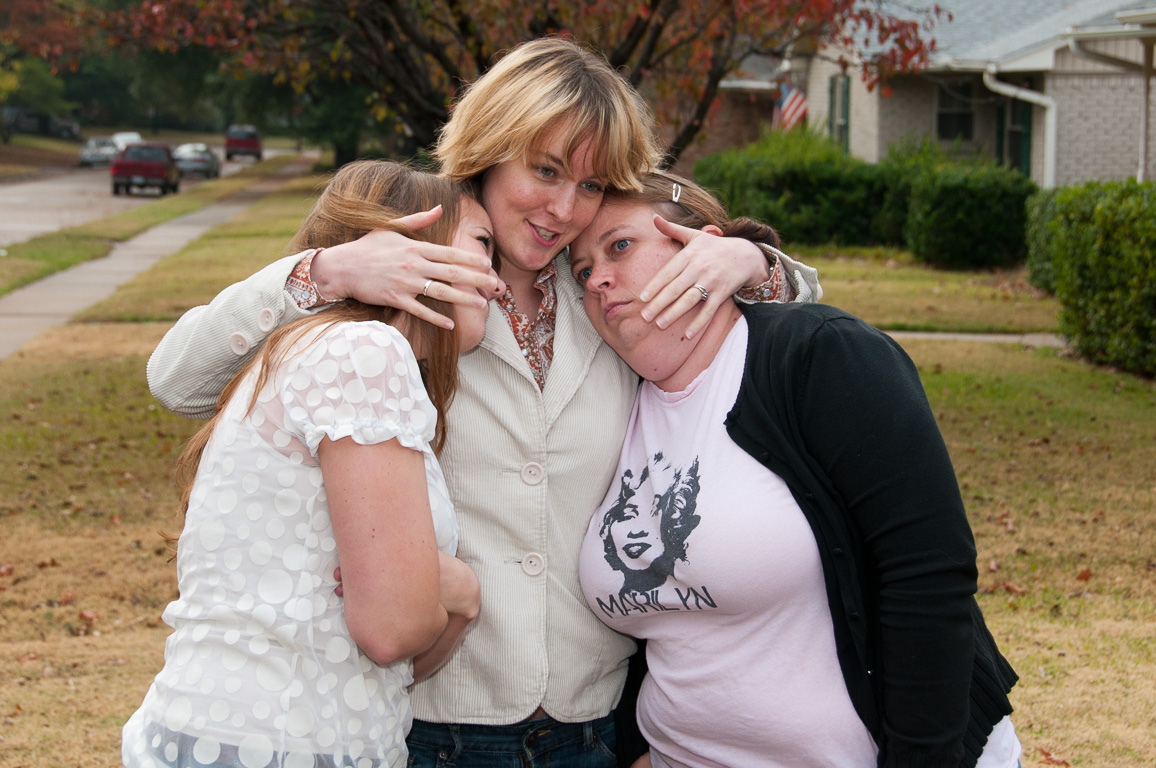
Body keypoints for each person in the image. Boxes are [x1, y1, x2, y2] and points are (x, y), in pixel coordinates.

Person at [145, 38, 819, 767]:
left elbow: (808, 328)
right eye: (546, 170)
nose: (565, 208)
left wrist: (758, 263)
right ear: (489, 151)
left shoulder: (606, 293)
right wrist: (324, 269)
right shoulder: (404, 282)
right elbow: (180, 383)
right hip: (433, 724)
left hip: (592, 726)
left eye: (591, 186)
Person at [571, 171, 1022, 768]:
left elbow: (927, 574)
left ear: (702, 249)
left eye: (620, 246)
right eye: (581, 270)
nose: (598, 279)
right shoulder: (614, 402)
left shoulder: (820, 356)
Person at [122, 161, 490, 768]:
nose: (496, 276)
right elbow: (393, 629)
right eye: (481, 245)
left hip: (247, 734)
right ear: (410, 243)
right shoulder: (362, 352)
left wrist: (456, 596)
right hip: (276, 744)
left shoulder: (314, 353)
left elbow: (391, 660)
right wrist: (454, 588)